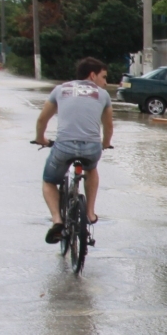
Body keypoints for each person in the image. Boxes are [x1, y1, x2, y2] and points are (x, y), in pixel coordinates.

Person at [33, 57, 114, 244]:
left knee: (49, 181)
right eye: (103, 77)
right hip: (92, 147)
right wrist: (105, 143)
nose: (105, 82)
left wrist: (40, 139)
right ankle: (90, 213)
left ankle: (57, 221)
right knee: (91, 169)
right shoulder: (102, 95)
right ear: (92, 75)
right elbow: (108, 127)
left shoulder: (60, 90)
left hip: (64, 146)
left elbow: (42, 120)